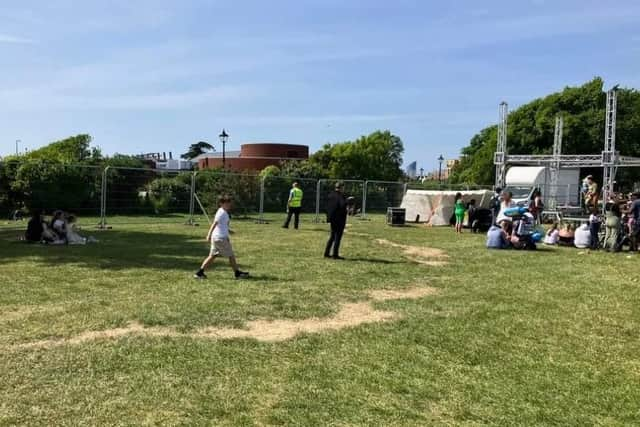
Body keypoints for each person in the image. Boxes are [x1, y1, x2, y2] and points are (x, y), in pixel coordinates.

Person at [194, 195, 249, 280]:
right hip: (220, 238)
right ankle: (237, 273)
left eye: (229, 203)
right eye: (227, 203)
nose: (229, 205)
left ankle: (199, 273)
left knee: (212, 256)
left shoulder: (223, 212)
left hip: (217, 238)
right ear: (221, 203)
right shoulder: (221, 213)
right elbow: (214, 224)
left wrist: (229, 231)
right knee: (231, 255)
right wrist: (208, 234)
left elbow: (222, 225)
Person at [324, 182, 347, 260]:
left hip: (332, 218)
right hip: (339, 219)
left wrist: (328, 216)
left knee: (332, 236)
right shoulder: (340, 196)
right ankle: (335, 255)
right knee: (337, 237)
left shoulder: (330, 195)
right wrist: (348, 201)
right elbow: (342, 205)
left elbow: (326, 206)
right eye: (343, 188)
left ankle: (326, 253)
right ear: (341, 188)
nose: (344, 189)